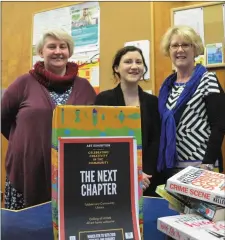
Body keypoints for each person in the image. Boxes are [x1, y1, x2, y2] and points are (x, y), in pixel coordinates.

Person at [1, 29, 96, 209]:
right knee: (25, 230)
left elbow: (95, 125)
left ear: (69, 51)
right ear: (41, 52)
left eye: (63, 46)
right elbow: (3, 118)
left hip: (72, 171)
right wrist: (23, 140)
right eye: (51, 46)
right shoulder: (23, 83)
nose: (58, 51)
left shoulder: (84, 87)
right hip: (26, 170)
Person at [157, 25, 225, 182]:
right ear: (169, 50)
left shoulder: (208, 79)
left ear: (195, 49)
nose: (180, 50)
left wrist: (207, 164)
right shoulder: (167, 86)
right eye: (174, 45)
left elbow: (220, 124)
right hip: (173, 167)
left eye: (185, 45)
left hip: (202, 165)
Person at [95, 46, 161, 196]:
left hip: (146, 179)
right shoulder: (104, 99)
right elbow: (101, 140)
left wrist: (144, 173)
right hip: (112, 175)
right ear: (117, 68)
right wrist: (128, 174)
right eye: (128, 62)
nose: (134, 66)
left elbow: (155, 141)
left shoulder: (152, 102)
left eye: (139, 62)